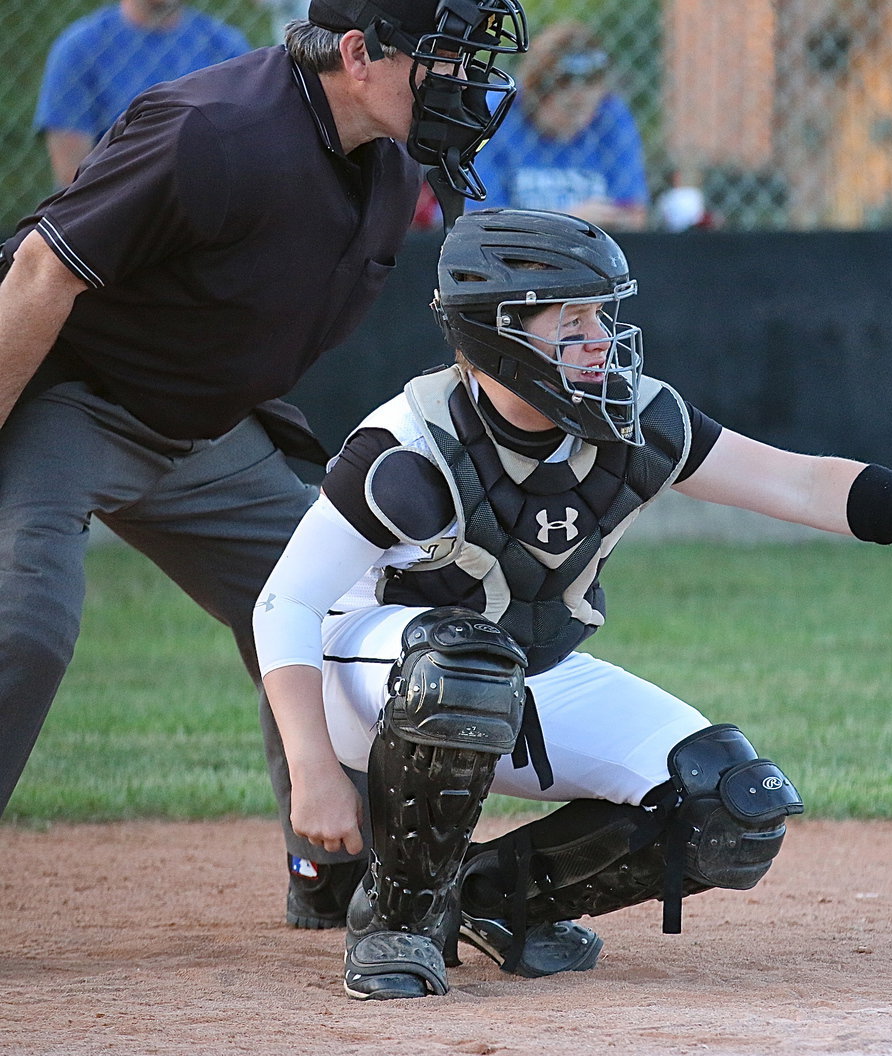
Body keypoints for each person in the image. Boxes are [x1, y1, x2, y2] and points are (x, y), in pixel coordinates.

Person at [252, 207, 892, 1000]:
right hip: (375, 690)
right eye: (572, 322)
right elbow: (284, 605)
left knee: (730, 807)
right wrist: (313, 770)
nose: (601, 340)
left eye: (603, 316)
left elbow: (804, 483)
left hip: (521, 668)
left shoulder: (636, 419)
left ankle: (493, 897)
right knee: (465, 663)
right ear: (500, 334)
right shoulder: (407, 447)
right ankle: (396, 921)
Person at [0, 0, 528, 932]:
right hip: (67, 395)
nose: (464, 85)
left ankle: (336, 866)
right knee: (24, 622)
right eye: (441, 61)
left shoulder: (389, 159)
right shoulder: (211, 131)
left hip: (205, 429)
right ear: (360, 54)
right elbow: (43, 270)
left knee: (340, 609)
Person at [34, 0, 252, 188]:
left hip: (210, 210)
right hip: (111, 213)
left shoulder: (225, 46)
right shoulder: (79, 49)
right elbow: (71, 177)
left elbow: (247, 154)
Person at [464, 21, 648, 230]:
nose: (580, 95)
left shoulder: (610, 115)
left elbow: (633, 215)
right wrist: (569, 221)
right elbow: (475, 221)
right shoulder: (498, 114)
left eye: (591, 84)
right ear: (536, 90)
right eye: (569, 104)